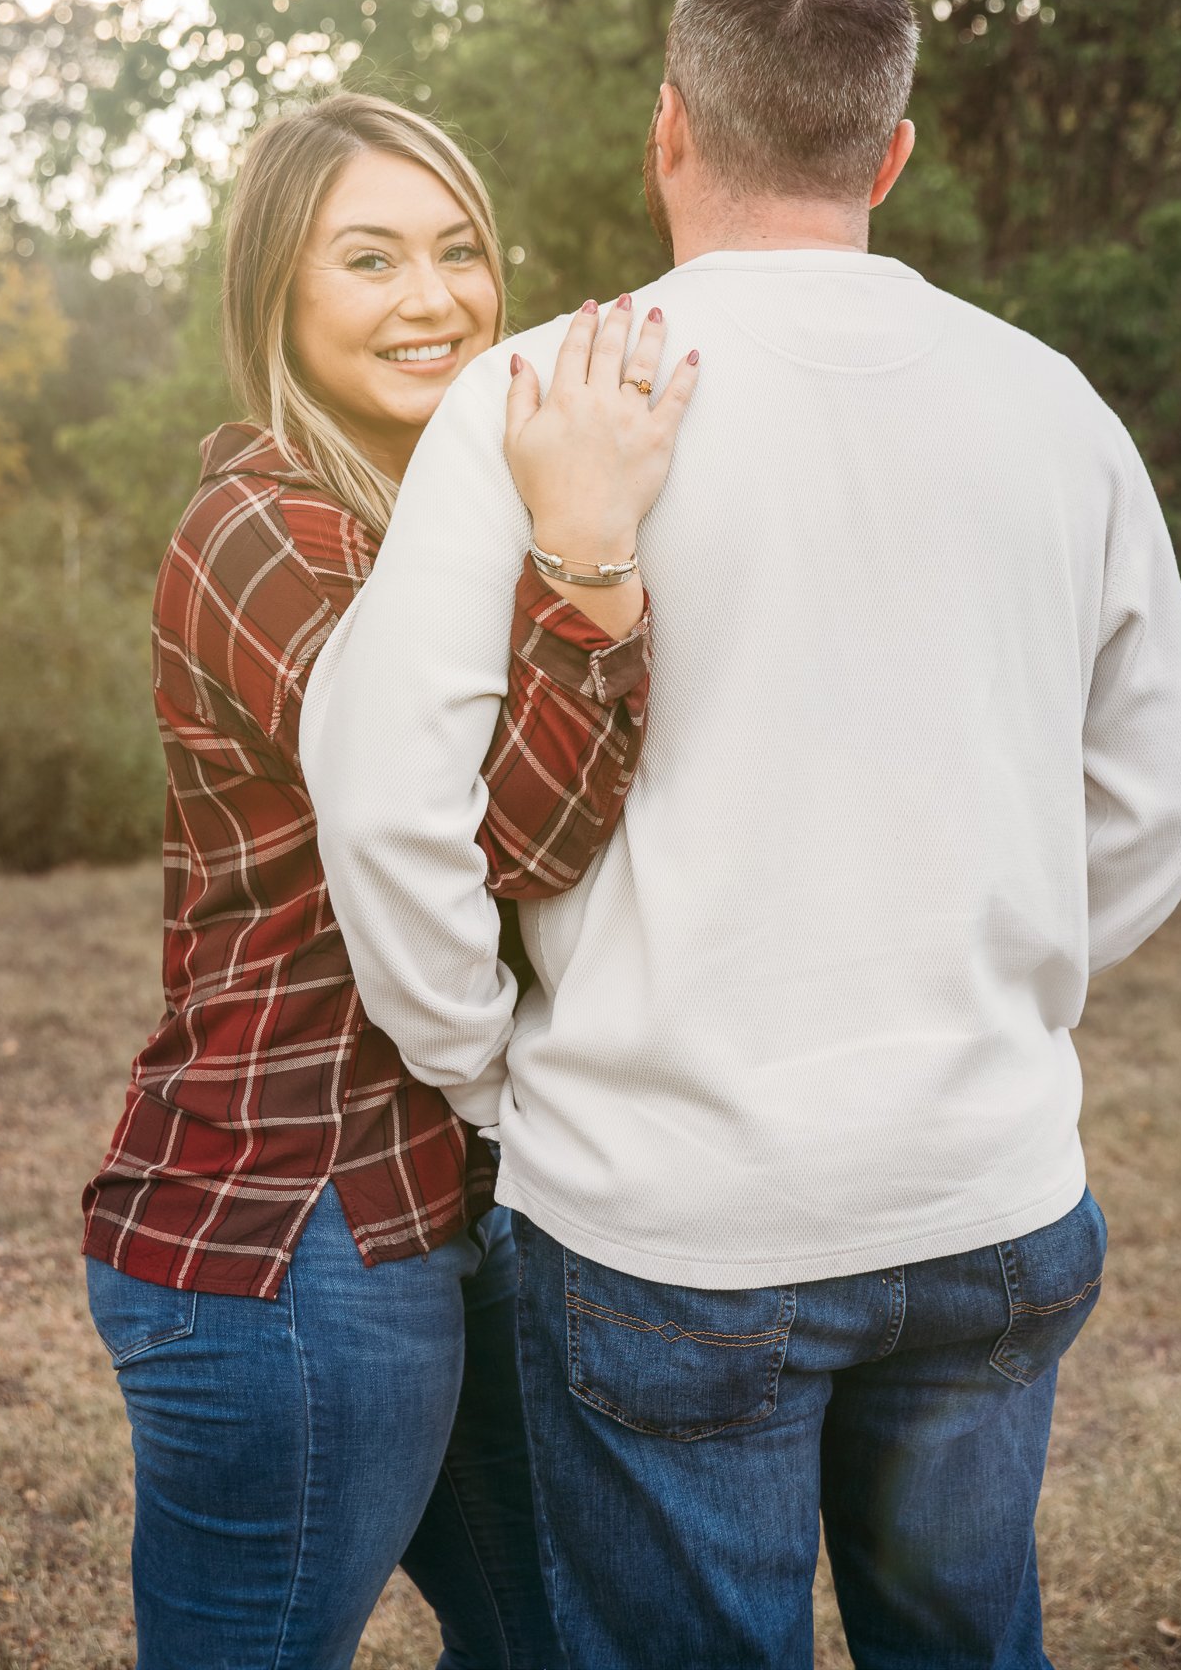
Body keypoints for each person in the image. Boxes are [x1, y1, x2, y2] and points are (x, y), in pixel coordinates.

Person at [300, 0, 1181, 1670]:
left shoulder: (536, 395)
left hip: (667, 1218)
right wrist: (1000, 986)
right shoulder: (1054, 411)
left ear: (668, 128)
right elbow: (1157, 792)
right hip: (988, 1193)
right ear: (888, 153)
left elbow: (387, 797)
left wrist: (487, 1062)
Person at [80, 92, 698, 1670]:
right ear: (278, 297)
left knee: (554, 1640)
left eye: (458, 252)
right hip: (295, 1228)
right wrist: (589, 568)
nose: (433, 301)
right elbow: (509, 844)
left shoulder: (436, 518)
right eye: (368, 259)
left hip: (457, 1202)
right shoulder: (267, 531)